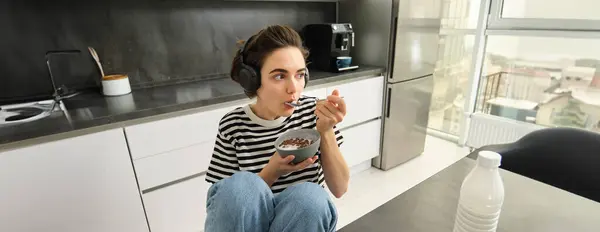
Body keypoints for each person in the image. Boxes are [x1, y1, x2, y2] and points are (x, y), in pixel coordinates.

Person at [204, 25, 350, 232]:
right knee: (241, 185)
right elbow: (226, 204)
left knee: (310, 198)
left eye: (299, 75)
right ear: (252, 80)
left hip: (300, 222)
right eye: (280, 76)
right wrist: (272, 171)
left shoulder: (315, 113)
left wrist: (325, 131)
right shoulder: (233, 125)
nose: (294, 89)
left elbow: (340, 188)